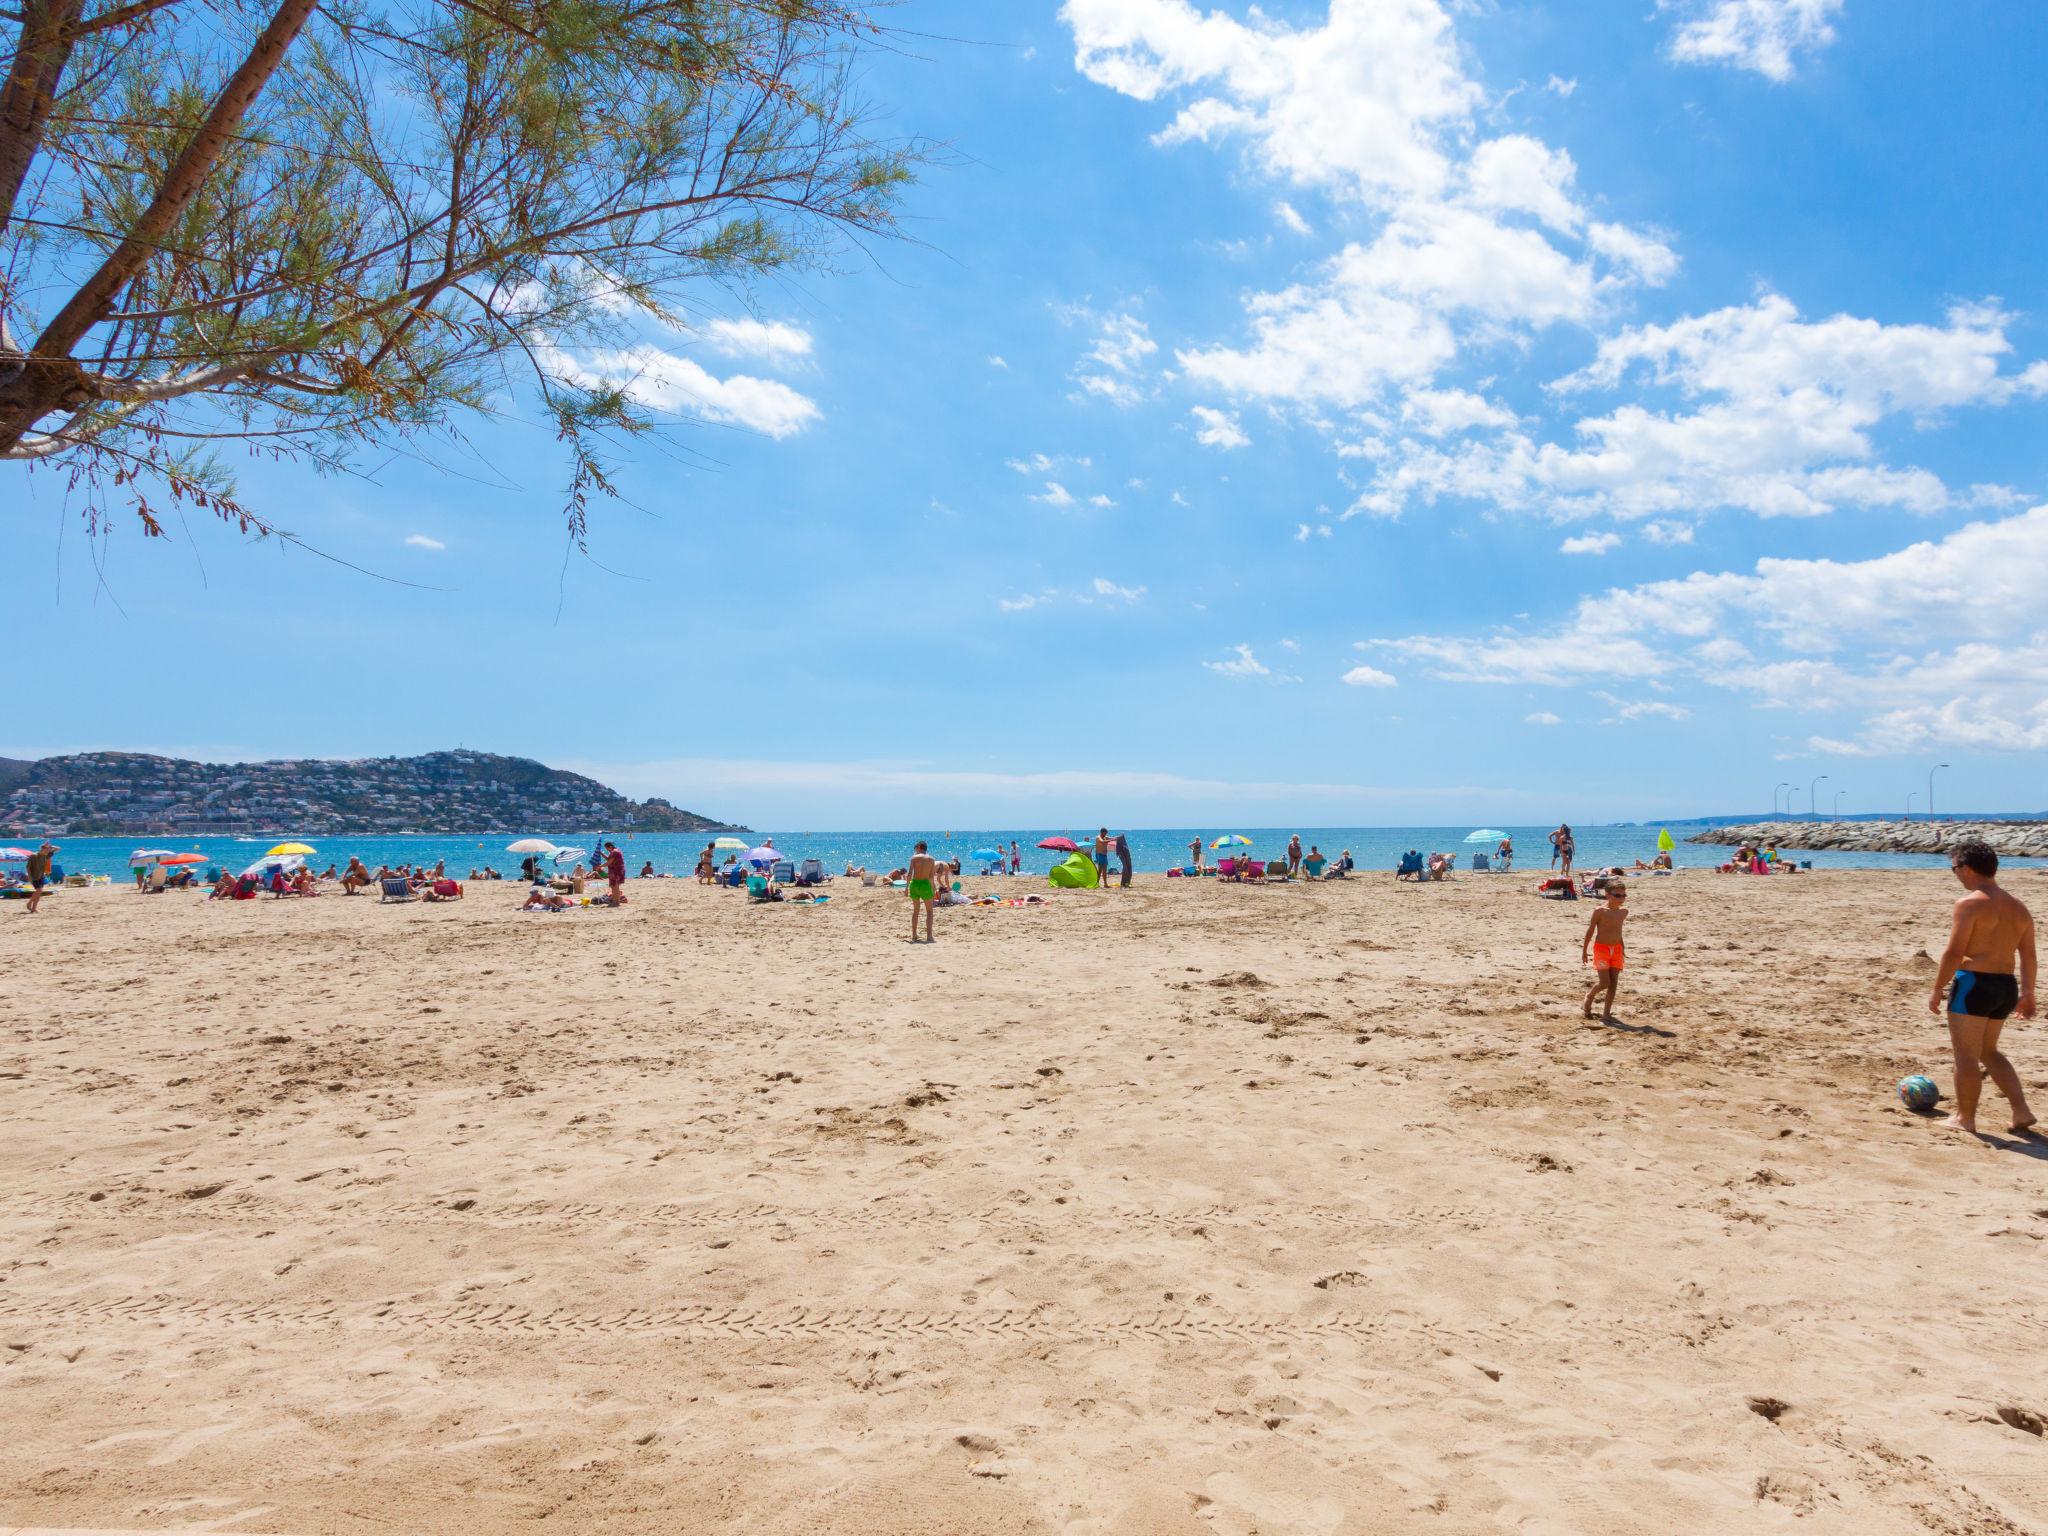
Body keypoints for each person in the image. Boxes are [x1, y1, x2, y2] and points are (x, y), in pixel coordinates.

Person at [1928, 838, 2037, 1136]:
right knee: (1989, 1051)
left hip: (1975, 983)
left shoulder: (1969, 903)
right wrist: (2028, 993)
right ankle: (2021, 1110)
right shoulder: (2018, 907)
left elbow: (1953, 952)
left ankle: (1965, 1118)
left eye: (1954, 869)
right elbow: (2028, 955)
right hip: (2005, 986)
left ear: (1967, 868)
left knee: (1965, 1055)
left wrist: (1938, 987)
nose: (1956, 875)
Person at [1581, 879, 1627, 1022]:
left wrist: (1623, 948)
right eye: (1617, 895)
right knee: (1605, 982)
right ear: (1607, 895)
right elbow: (1590, 931)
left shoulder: (1624, 912)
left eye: (1623, 895)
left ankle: (1607, 1013)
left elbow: (1618, 932)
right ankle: (1590, 996)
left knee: (1614, 983)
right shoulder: (1600, 911)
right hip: (1601, 949)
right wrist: (1584, 950)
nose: (1621, 899)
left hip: (1617, 950)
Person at [907, 840, 939, 942]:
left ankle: (914, 935)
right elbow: (931, 877)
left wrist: (906, 888)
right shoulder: (932, 859)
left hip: (915, 884)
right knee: (929, 911)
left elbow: (909, 874)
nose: (915, 851)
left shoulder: (914, 858)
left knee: (916, 911)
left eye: (916, 848)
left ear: (920, 847)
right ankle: (929, 936)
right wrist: (933, 888)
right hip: (925, 885)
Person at [22, 841, 55, 913]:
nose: (48, 852)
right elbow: (28, 867)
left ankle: (33, 908)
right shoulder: (33, 855)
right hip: (34, 876)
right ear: (43, 849)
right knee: (39, 890)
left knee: (39, 892)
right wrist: (30, 877)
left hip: (41, 876)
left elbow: (58, 849)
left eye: (49, 850)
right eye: (47, 850)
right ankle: (29, 903)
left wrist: (49, 846)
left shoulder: (45, 856)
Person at [605, 840, 627, 906]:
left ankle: (616, 902)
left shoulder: (614, 852)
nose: (607, 850)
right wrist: (601, 854)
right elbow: (609, 859)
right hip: (618, 870)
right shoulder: (615, 851)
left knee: (615, 886)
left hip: (616, 871)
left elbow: (609, 862)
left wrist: (599, 866)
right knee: (614, 886)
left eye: (607, 848)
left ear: (610, 846)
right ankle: (615, 901)